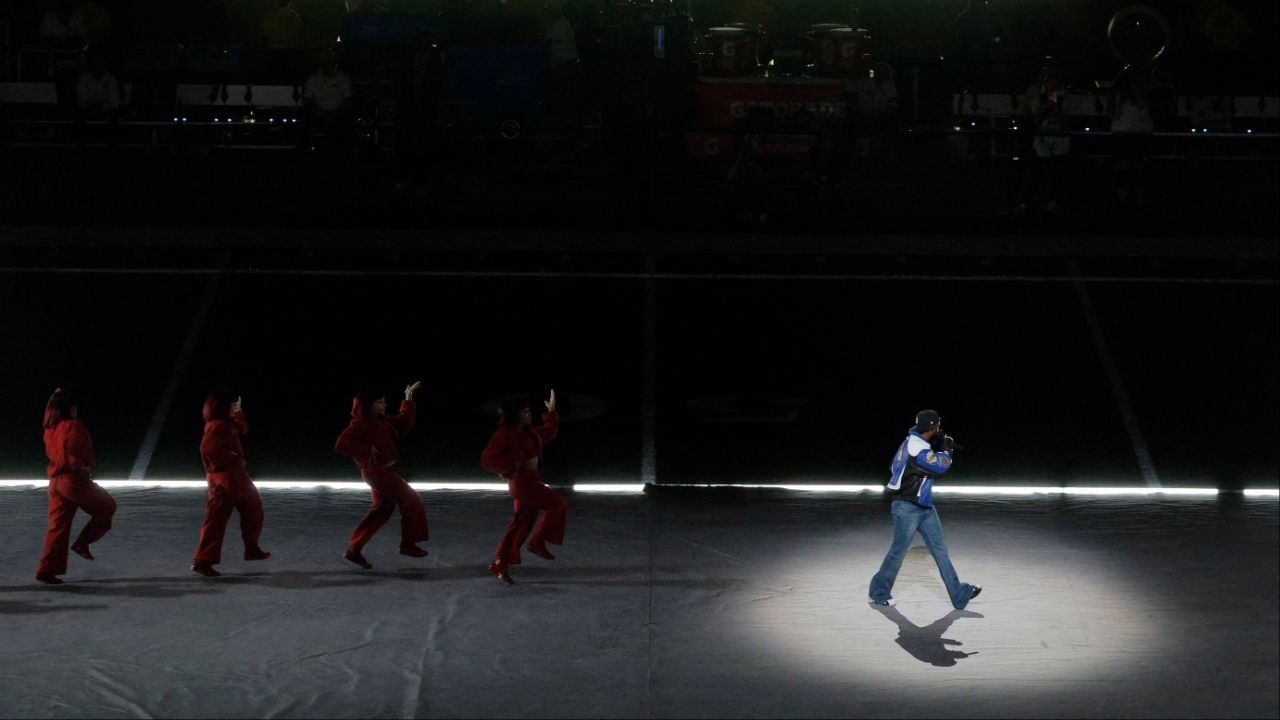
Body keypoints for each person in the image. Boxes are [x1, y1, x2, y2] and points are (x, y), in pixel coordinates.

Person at [868, 409, 981, 609]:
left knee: (940, 551)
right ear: (932, 427)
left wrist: (935, 449)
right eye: (938, 425)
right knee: (898, 551)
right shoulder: (916, 446)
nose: (940, 428)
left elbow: (897, 467)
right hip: (907, 507)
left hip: (924, 506)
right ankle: (879, 592)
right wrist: (946, 450)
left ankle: (959, 595)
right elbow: (940, 466)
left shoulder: (912, 441)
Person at [335, 381, 428, 569]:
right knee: (412, 501)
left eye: (383, 402)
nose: (384, 405)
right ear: (368, 405)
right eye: (380, 402)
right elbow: (341, 444)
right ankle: (408, 544)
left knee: (382, 511)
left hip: (383, 471)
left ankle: (354, 550)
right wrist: (366, 450)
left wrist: (408, 398)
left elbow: (403, 422)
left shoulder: (382, 421)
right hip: (377, 473)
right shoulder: (361, 423)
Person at [480, 390, 563, 584]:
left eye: (528, 411)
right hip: (522, 484)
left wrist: (550, 413)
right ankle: (536, 543)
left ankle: (501, 563)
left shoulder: (530, 431)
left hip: (529, 481)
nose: (529, 414)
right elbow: (487, 459)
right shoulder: (505, 434)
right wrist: (510, 468)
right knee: (557, 504)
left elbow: (549, 431)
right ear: (514, 414)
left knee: (521, 523)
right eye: (525, 411)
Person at [35, 388, 116, 585]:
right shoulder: (74, 425)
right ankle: (83, 542)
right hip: (73, 480)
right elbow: (82, 451)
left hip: (55, 481)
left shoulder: (50, 427)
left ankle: (47, 570)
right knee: (107, 506)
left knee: (58, 526)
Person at [191, 391, 270, 577]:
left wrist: (238, 412)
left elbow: (242, 429)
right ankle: (251, 546)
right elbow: (207, 448)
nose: (237, 408)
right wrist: (232, 459)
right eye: (234, 405)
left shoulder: (224, 423)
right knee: (253, 506)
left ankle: (203, 560)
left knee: (216, 517)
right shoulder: (219, 425)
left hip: (219, 476)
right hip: (230, 474)